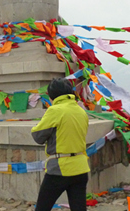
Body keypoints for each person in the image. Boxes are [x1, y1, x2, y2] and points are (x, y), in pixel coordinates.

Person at [31, 78, 90, 211]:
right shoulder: (81, 111)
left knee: (42, 208)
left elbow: (38, 136)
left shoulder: (55, 110)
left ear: (52, 95)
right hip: (81, 167)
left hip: (60, 167)